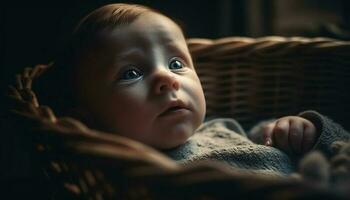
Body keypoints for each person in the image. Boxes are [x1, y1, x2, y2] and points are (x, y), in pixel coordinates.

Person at [37, 3, 349, 176]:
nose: (168, 79)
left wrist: (299, 131)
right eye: (131, 73)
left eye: (175, 64)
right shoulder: (132, 177)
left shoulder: (224, 128)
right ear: (88, 119)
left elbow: (333, 142)